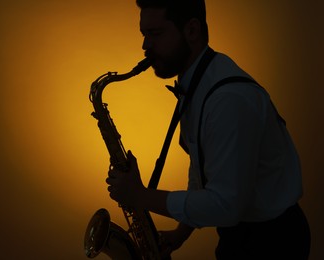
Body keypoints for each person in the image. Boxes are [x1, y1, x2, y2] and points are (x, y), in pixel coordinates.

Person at [106, 0, 311, 259]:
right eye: (144, 35)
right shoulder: (197, 80)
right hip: (242, 234)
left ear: (192, 30)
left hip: (272, 243)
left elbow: (226, 206)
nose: (145, 46)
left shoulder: (228, 100)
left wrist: (141, 196)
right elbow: (204, 171)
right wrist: (181, 233)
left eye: (155, 34)